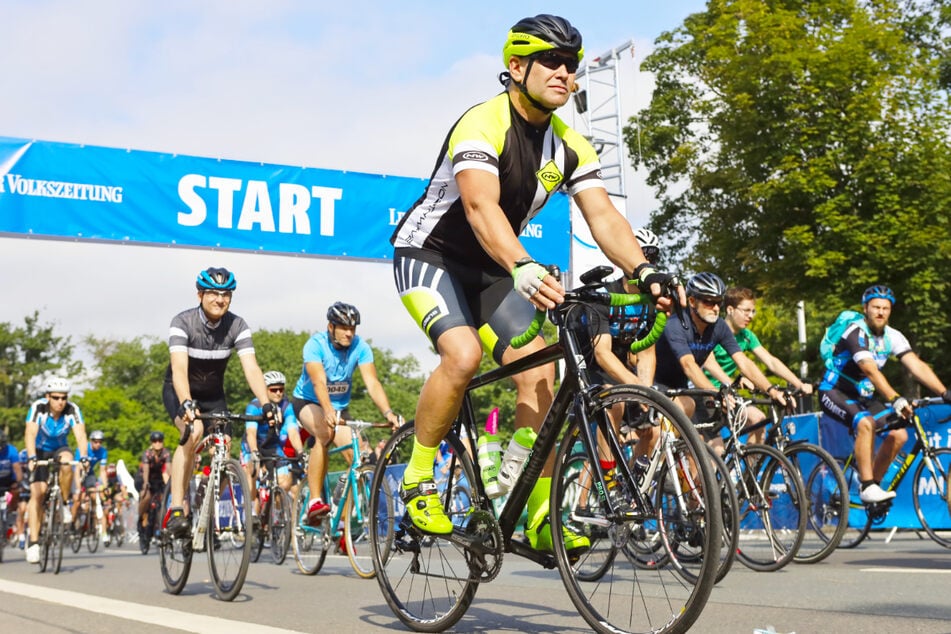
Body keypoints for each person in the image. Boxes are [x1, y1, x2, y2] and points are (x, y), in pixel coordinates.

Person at [389, 14, 677, 553]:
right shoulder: (481, 123)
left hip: (493, 270)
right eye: (552, 61)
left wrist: (643, 269)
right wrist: (524, 264)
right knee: (462, 355)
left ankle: (538, 509)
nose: (565, 73)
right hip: (431, 256)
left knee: (545, 375)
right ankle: (419, 475)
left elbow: (605, 218)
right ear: (516, 66)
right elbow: (479, 207)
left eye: (572, 64)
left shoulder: (569, 144)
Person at [162, 267, 279, 538]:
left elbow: (251, 368)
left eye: (226, 294)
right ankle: (177, 508)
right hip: (181, 391)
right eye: (213, 293)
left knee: (224, 448)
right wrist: (187, 403)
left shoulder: (237, 325)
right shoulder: (182, 321)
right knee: (193, 432)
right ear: (200, 294)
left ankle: (205, 498)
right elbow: (179, 369)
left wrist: (266, 403)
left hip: (214, 396)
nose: (220, 299)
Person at [818, 285, 951, 503]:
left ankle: (873, 487)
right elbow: (869, 369)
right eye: (875, 307)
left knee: (899, 434)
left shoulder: (893, 336)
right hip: (833, 391)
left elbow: (915, 365)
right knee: (865, 423)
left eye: (885, 308)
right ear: (865, 308)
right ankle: (867, 486)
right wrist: (895, 398)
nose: (880, 312)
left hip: (862, 396)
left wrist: (944, 392)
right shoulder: (856, 331)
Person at [291, 302, 402, 526]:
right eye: (343, 327)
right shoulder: (315, 345)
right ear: (330, 327)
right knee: (324, 433)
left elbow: (372, 383)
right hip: (309, 401)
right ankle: (314, 501)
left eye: (352, 328)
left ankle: (341, 518)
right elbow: (318, 381)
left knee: (358, 455)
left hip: (340, 407)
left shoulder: (360, 347)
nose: (349, 333)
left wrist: (388, 412)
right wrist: (328, 410)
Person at [653, 273, 788, 451]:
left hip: (682, 386)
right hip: (657, 383)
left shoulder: (719, 327)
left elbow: (744, 362)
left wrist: (770, 389)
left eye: (719, 302)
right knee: (685, 437)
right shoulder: (676, 324)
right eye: (709, 302)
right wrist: (717, 392)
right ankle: (650, 474)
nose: (715, 308)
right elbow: (689, 365)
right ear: (692, 301)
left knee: (698, 459)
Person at [702, 286, 813, 443]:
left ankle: (750, 468)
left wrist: (799, 384)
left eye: (753, 311)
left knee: (758, 420)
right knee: (716, 451)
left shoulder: (746, 336)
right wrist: (733, 381)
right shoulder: (712, 331)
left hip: (728, 394)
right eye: (746, 311)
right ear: (730, 309)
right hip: (705, 392)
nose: (751, 316)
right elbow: (709, 363)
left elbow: (771, 361)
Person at [23, 377, 89, 564]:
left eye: (64, 397)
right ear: (48, 397)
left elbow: (81, 435)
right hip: (40, 450)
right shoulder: (38, 408)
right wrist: (31, 457)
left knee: (68, 462)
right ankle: (34, 543)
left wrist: (84, 457)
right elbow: (30, 433)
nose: (60, 401)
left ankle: (65, 503)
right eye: (56, 397)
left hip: (61, 449)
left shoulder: (72, 410)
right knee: (38, 493)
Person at [243, 370, 298, 495]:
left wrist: (300, 451)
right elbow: (251, 433)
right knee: (253, 475)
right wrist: (254, 452)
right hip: (253, 445)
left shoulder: (286, 407)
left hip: (272, 446)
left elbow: (293, 432)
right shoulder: (255, 406)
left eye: (281, 389)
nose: (278, 393)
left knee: (285, 483)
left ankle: (277, 512)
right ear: (265, 390)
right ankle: (252, 510)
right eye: (274, 390)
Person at [71, 428, 108, 536]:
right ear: (91, 441)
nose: (98, 444)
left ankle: (91, 516)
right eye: (95, 442)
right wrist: (78, 488)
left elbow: (102, 471)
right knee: (77, 499)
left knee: (94, 494)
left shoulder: (103, 451)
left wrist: (105, 486)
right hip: (77, 472)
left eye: (100, 442)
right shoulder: (83, 448)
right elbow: (77, 469)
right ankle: (73, 522)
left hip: (89, 473)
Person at [136, 431, 170, 539]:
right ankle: (141, 517)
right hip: (143, 478)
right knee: (147, 497)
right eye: (155, 441)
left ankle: (159, 526)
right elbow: (146, 471)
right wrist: (145, 485)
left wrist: (171, 483)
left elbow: (169, 469)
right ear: (152, 443)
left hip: (158, 479)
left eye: (160, 441)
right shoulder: (147, 454)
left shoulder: (166, 453)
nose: (158, 443)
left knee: (162, 499)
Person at [0, 429, 24, 542]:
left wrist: (18, 483)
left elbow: (17, 469)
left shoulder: (11, 450)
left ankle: (11, 511)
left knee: (16, 491)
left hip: (9, 480)